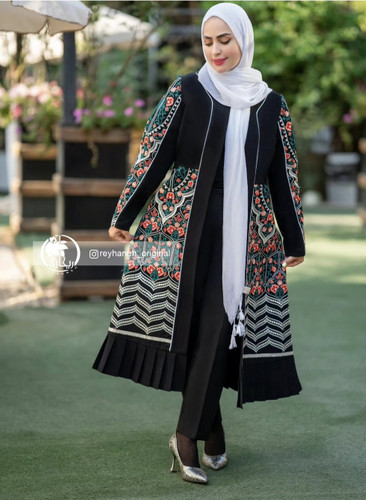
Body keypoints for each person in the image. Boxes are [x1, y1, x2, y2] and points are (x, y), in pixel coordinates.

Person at [92, 2, 305, 485]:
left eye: (224, 40)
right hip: (183, 227)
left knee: (222, 326)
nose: (215, 50)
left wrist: (294, 237)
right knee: (199, 327)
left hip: (246, 235)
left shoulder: (271, 104)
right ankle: (201, 429)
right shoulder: (188, 90)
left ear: (243, 40)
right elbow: (155, 152)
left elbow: (283, 175)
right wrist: (125, 213)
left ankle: (194, 431)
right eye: (208, 41)